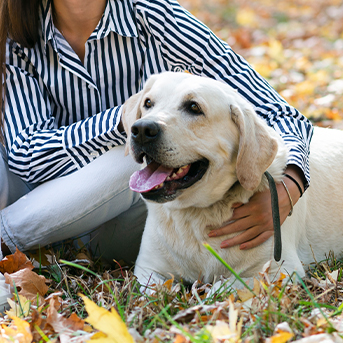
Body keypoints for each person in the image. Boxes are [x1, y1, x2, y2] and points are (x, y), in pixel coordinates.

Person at [0, 0, 312, 283]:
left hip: (121, 205)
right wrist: (132, 120)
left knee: (137, 156)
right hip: (30, 198)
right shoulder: (15, 32)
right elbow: (27, 156)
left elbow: (281, 113)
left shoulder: (156, 17)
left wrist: (291, 186)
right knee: (135, 144)